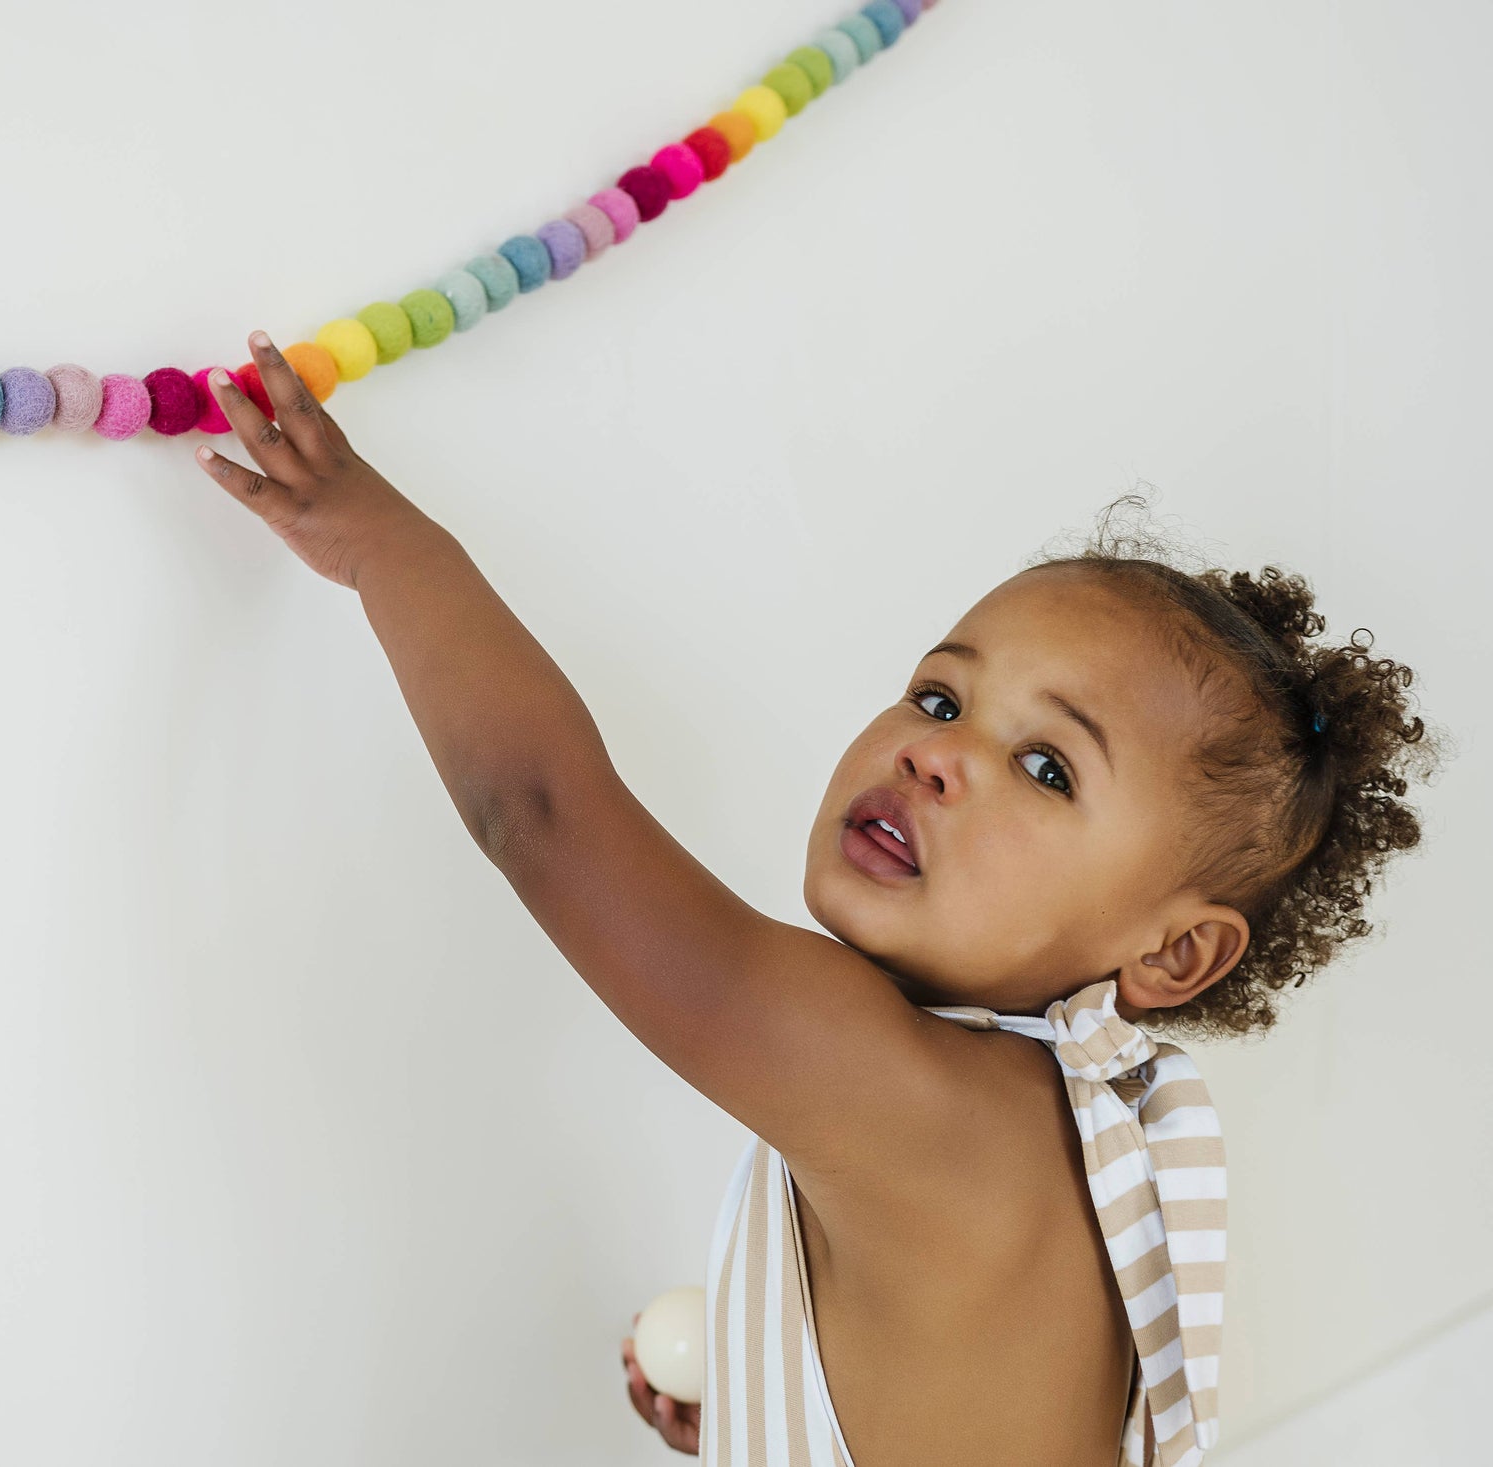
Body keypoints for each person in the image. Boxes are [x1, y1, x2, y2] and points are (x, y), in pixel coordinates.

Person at [191, 332, 1441, 1466]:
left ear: (1172, 955)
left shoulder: (904, 1089)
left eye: (1046, 769)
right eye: (941, 698)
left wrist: (388, 548)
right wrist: (767, 1402)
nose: (934, 753)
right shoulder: (1069, 1127)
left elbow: (541, 815)